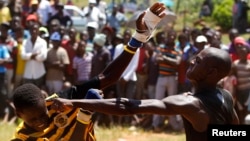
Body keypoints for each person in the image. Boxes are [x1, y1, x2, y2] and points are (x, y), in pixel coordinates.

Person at [11, 2, 166, 141]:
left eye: (42, 114)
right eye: (33, 119)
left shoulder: (62, 102)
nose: (41, 122)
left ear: (45, 101)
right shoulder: (23, 138)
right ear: (19, 115)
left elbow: (108, 77)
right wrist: (84, 113)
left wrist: (138, 38)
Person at [52, 47, 239, 141]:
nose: (191, 61)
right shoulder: (225, 96)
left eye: (198, 61)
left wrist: (73, 102)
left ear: (212, 73)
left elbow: (128, 106)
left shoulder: (191, 104)